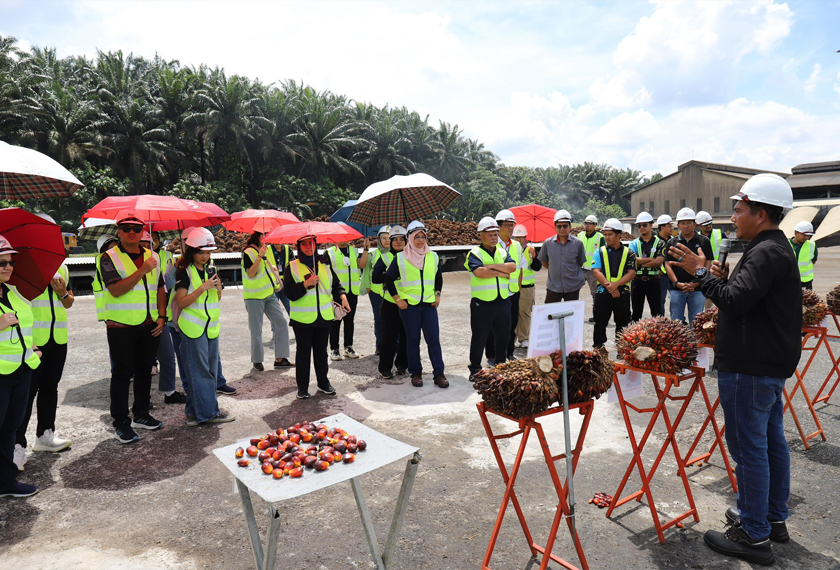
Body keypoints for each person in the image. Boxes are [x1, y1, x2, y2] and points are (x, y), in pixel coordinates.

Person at [668, 173, 800, 566]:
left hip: (750, 367)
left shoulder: (765, 252)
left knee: (749, 449)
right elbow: (747, 296)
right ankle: (770, 517)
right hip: (765, 364)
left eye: (740, 210)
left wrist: (702, 273)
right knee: (770, 442)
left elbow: (736, 303)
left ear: (761, 213)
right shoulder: (772, 248)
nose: (734, 217)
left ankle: (753, 536)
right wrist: (721, 278)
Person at [99, 212, 167, 444]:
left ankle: (141, 414)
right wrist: (141, 271)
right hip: (121, 325)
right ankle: (121, 422)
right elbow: (116, 290)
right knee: (121, 374)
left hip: (149, 324)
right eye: (126, 228)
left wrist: (162, 316)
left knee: (145, 371)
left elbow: (160, 288)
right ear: (118, 232)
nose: (131, 232)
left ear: (142, 232)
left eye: (136, 229)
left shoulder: (152, 255)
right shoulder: (108, 257)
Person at [14, 250, 73, 472]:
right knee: (26, 394)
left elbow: (68, 303)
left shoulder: (62, 268)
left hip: (57, 337)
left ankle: (45, 435)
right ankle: (17, 445)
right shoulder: (19, 270)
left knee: (50, 388)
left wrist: (62, 292)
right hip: (32, 340)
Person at [175, 228, 234, 426]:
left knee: (203, 371)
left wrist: (217, 289)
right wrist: (203, 288)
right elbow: (181, 302)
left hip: (210, 328)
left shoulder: (211, 269)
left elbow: (216, 298)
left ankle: (193, 412)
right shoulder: (185, 271)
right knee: (201, 373)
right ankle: (209, 413)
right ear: (191, 251)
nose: (206, 256)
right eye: (201, 252)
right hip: (193, 329)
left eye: (209, 252)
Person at [0, 234, 42, 499]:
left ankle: (5, 482)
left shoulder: (12, 291)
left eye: (10, 262)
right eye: (1, 262)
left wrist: (32, 347)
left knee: (10, 427)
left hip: (22, 368)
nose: (7, 267)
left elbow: (25, 326)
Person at [283, 236, 351, 399]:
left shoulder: (325, 264)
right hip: (302, 319)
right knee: (303, 354)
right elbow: (289, 293)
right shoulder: (292, 266)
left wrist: (342, 296)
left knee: (321, 353)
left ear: (316, 245)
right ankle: (303, 388)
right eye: (304, 244)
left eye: (310, 243)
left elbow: (336, 285)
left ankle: (323, 383)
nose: (308, 247)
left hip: (324, 317)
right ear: (299, 246)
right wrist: (305, 285)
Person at [387, 221, 447, 388]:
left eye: (423, 237)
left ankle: (439, 374)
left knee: (434, 339)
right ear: (410, 238)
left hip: (429, 305)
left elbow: (438, 278)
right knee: (413, 340)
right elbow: (389, 279)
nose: (420, 240)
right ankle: (416, 373)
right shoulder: (400, 257)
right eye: (416, 237)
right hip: (410, 307)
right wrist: (397, 299)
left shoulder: (432, 256)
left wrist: (437, 295)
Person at [466, 217, 515, 380]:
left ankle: (500, 365)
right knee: (480, 337)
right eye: (490, 235)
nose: (494, 238)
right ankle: (474, 369)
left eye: (495, 234)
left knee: (503, 335)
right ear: (481, 235)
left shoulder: (502, 251)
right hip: (482, 303)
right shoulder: (474, 253)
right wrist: (501, 272)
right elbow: (479, 272)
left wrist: (490, 267)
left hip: (502, 301)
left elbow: (512, 267)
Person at [241, 232, 293, 371]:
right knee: (256, 329)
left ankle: (281, 359)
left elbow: (265, 271)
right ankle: (257, 361)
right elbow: (251, 273)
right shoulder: (248, 252)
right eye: (265, 235)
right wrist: (259, 257)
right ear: (258, 236)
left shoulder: (266, 250)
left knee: (281, 322)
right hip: (253, 297)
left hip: (269, 294)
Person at [484, 210, 525, 363]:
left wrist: (519, 288)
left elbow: (520, 268)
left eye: (512, 225)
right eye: (507, 225)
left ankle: (509, 352)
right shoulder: (491, 245)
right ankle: (492, 355)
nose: (510, 228)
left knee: (511, 324)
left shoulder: (516, 245)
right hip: (495, 291)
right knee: (492, 325)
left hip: (513, 292)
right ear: (498, 226)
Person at [591, 219, 636, 356]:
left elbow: (632, 272)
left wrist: (616, 285)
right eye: (605, 234)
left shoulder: (629, 253)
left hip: (622, 293)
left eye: (610, 234)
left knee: (622, 322)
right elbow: (596, 271)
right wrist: (610, 287)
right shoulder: (599, 252)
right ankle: (598, 347)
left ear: (618, 235)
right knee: (600, 321)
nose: (607, 237)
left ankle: (622, 348)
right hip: (603, 292)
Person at [152, 231, 186, 404]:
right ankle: (142, 401)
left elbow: (169, 283)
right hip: (138, 316)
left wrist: (170, 273)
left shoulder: (167, 256)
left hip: (162, 311)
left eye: (154, 239)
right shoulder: (134, 260)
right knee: (141, 361)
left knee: (167, 355)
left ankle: (170, 392)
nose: (152, 242)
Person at [663, 208, 712, 325]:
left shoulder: (704, 241)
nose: (686, 226)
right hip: (677, 289)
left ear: (694, 224)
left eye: (689, 223)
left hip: (697, 288)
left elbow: (708, 262)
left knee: (696, 323)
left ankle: (695, 344)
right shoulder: (672, 242)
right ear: (678, 226)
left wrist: (697, 282)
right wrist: (676, 283)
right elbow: (667, 265)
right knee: (676, 323)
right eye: (683, 223)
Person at [373, 226, 408, 379]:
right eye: (395, 240)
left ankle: (402, 365)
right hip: (390, 302)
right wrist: (390, 275)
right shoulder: (385, 257)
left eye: (402, 239)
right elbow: (375, 277)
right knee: (389, 337)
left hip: (408, 302)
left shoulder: (411, 256)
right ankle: (385, 368)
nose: (398, 242)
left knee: (407, 336)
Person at [327, 237, 369, 360]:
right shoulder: (329, 252)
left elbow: (362, 264)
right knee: (336, 321)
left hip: (352, 291)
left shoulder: (354, 251)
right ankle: (334, 349)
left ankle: (348, 347)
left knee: (349, 320)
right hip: (337, 292)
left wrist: (366, 249)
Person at [537, 209, 586, 303]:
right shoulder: (548, 243)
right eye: (559, 226)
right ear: (555, 227)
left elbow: (580, 263)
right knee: (550, 314)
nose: (562, 229)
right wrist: (554, 268)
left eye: (565, 226)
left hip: (573, 286)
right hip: (554, 286)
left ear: (570, 227)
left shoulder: (578, 243)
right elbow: (544, 262)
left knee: (571, 314)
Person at [628, 212, 664, 321]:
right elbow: (633, 261)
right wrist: (651, 259)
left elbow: (659, 262)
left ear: (651, 225)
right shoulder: (634, 243)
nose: (641, 228)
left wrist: (641, 262)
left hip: (654, 281)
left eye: (644, 225)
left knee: (656, 313)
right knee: (636, 313)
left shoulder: (660, 243)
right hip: (637, 282)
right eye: (639, 225)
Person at [513, 224, 542, 348]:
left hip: (526, 287)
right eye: (516, 237)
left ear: (525, 237)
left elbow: (537, 267)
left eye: (521, 237)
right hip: (513, 286)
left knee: (524, 314)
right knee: (512, 313)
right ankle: (511, 339)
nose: (518, 240)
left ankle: (523, 339)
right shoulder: (510, 250)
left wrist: (534, 256)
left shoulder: (530, 250)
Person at [365, 227, 390, 356]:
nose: (387, 241)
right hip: (376, 292)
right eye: (384, 238)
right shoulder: (373, 254)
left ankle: (394, 344)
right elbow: (367, 272)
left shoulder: (399, 253)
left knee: (393, 319)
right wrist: (368, 288)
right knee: (379, 319)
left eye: (389, 238)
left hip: (392, 292)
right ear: (379, 240)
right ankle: (379, 345)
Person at [579, 215, 605, 322]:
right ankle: (573, 314)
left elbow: (603, 254)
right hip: (580, 269)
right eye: (586, 223)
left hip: (592, 270)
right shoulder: (580, 235)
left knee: (595, 293)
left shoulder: (600, 237)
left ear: (595, 225)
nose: (587, 225)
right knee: (572, 291)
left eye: (589, 223)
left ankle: (597, 316)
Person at [789, 221, 817, 290]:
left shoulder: (812, 245)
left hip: (806, 281)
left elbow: (813, 261)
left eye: (809, 235)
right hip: (789, 280)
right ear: (796, 233)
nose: (806, 237)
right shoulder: (786, 245)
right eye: (804, 235)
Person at [270, 242, 295, 315]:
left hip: (285, 283)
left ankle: (296, 324)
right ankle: (274, 327)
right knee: (274, 311)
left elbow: (293, 263)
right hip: (273, 284)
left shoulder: (287, 249)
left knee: (291, 308)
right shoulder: (267, 249)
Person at [655, 215, 674, 316]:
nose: (672, 229)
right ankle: (661, 321)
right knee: (660, 299)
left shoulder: (674, 241)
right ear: (662, 227)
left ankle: (676, 321)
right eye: (669, 226)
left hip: (673, 274)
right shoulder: (655, 241)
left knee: (675, 298)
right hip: (660, 275)